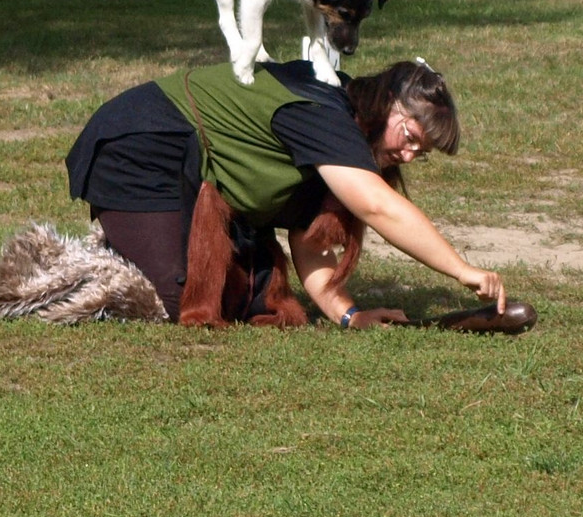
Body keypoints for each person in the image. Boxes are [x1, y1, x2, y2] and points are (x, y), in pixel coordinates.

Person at [65, 58, 506, 328]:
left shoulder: (343, 133)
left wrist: (349, 315)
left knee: (246, 298)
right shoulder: (324, 113)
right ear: (385, 102)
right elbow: (378, 206)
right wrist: (460, 269)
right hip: (139, 146)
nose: (409, 155)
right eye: (409, 136)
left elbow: (307, 236)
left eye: (420, 153)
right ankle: (77, 270)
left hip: (187, 169)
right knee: (186, 299)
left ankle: (155, 241)